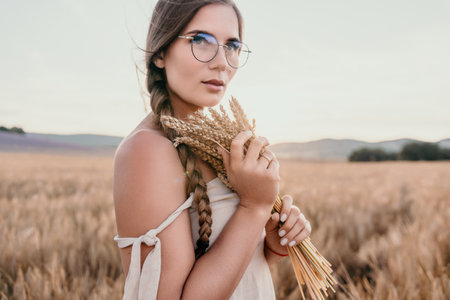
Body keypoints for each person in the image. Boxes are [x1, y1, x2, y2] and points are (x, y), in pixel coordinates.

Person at [113, 0, 312, 299]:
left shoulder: (213, 143)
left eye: (232, 45)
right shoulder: (147, 150)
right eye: (201, 41)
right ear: (161, 53)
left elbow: (235, 275)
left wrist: (270, 245)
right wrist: (254, 207)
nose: (222, 62)